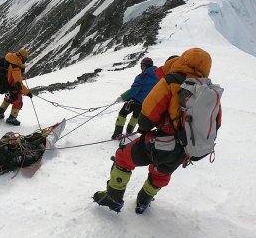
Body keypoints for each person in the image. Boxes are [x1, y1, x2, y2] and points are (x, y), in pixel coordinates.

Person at [93, 48, 221, 214]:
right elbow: (215, 125)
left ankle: (113, 198)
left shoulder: (171, 81)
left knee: (123, 157)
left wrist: (150, 127)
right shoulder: (210, 92)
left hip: (160, 143)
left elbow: (146, 117)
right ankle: (143, 202)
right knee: (161, 173)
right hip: (187, 150)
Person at [111, 57, 159, 140]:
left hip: (133, 101)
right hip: (145, 103)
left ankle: (117, 134)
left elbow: (134, 90)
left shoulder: (142, 77)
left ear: (144, 66)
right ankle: (130, 131)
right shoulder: (158, 77)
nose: (141, 68)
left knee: (122, 114)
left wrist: (122, 97)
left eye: (142, 66)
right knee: (136, 116)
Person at [0, 48, 33, 126]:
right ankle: (12, 118)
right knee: (18, 102)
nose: (25, 61)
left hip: (6, 85)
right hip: (13, 87)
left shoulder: (10, 59)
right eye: (25, 59)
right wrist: (27, 92)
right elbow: (19, 84)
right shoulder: (16, 68)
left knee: (8, 99)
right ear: (21, 57)